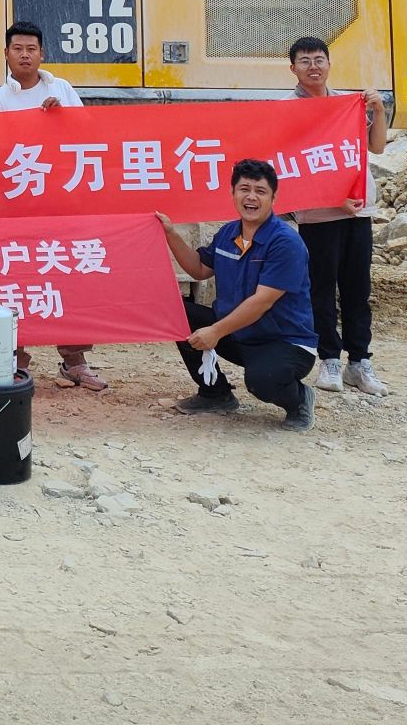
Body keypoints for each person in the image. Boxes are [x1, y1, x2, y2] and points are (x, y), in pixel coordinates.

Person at [0, 21, 106, 392]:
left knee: (68, 276)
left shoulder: (62, 89)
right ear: (6, 54)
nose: (24, 55)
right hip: (18, 206)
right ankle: (14, 358)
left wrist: (62, 117)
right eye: (17, 48)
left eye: (31, 48)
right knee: (16, 278)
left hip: (63, 201)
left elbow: (89, 134)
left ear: (42, 54)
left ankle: (75, 360)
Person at [156, 159, 318, 431]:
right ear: (233, 194)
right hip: (240, 334)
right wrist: (170, 233)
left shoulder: (285, 242)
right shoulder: (228, 233)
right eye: (244, 189)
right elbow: (198, 269)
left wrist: (215, 331)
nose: (251, 197)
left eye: (260, 191)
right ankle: (215, 393)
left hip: (284, 341)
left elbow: (262, 301)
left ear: (273, 198)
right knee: (179, 312)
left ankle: (299, 399)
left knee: (262, 381)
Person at [287, 35, 391, 397]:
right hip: (318, 216)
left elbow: (376, 147)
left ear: (329, 64)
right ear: (293, 69)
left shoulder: (348, 104)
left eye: (319, 59)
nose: (313, 66)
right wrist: (333, 197)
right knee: (321, 289)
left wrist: (378, 111)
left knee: (357, 289)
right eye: (305, 61)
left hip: (358, 211)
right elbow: (294, 164)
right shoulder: (288, 110)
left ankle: (359, 362)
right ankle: (329, 359)